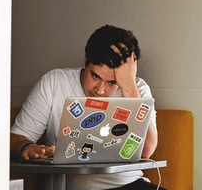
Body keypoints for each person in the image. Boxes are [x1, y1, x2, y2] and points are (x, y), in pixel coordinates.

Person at [10, 25, 165, 190]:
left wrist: (129, 88)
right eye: (95, 76)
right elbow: (15, 139)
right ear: (85, 61)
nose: (100, 90)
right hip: (65, 187)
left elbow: (146, 151)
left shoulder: (137, 89)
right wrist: (28, 148)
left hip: (127, 184)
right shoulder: (54, 82)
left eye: (112, 82)